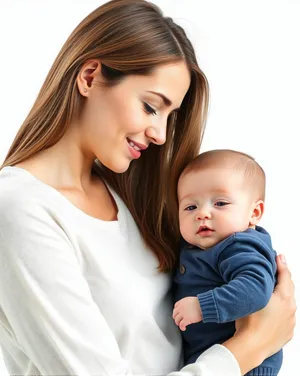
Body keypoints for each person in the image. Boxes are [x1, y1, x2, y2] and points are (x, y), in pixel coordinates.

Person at [0, 1, 295, 376]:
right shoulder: (21, 210)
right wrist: (249, 347)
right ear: (89, 77)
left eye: (171, 116)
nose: (161, 135)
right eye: (151, 107)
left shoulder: (126, 193)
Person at [172, 149, 283, 376]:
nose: (202, 213)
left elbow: (255, 288)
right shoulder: (202, 246)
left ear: (254, 212)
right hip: (214, 360)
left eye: (220, 203)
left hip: (248, 365)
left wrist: (202, 306)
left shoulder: (238, 245)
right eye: (190, 207)